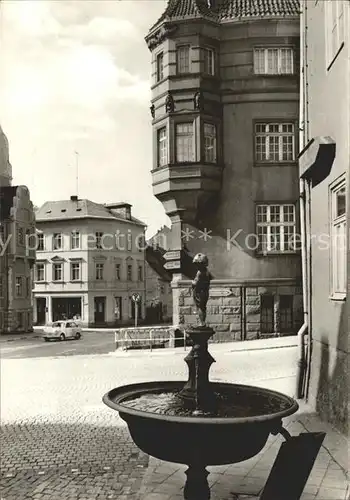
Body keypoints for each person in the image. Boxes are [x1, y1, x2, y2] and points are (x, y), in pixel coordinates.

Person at [191, 253, 212, 326]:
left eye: (197, 264)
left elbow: (195, 283)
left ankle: (201, 323)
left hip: (200, 292)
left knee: (200, 307)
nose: (196, 266)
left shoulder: (200, 273)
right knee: (203, 307)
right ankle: (202, 322)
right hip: (205, 291)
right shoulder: (207, 271)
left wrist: (192, 282)